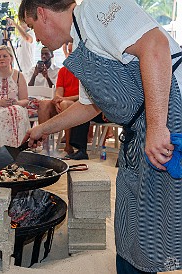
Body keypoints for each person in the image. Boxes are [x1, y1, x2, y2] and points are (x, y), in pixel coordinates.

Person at [19, 0, 182, 273]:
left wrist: (156, 127)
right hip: (141, 131)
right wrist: (41, 129)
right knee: (132, 225)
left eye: (32, 26)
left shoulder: (97, 8)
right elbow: (88, 106)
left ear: (43, 14)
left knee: (157, 224)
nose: (35, 37)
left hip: (170, 116)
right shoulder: (83, 44)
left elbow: (155, 46)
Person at [0, 45, 30, 147]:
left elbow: (25, 100)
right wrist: (0, 103)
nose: (1, 59)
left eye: (4, 56)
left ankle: (18, 148)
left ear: (11, 58)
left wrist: (17, 103)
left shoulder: (19, 75)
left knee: (19, 111)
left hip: (14, 104)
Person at [38, 66, 79, 154]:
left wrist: (64, 99)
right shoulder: (63, 70)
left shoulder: (86, 71)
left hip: (79, 103)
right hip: (63, 101)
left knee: (65, 104)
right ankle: (45, 146)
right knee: (43, 104)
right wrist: (57, 100)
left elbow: (84, 96)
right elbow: (59, 90)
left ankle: (68, 147)